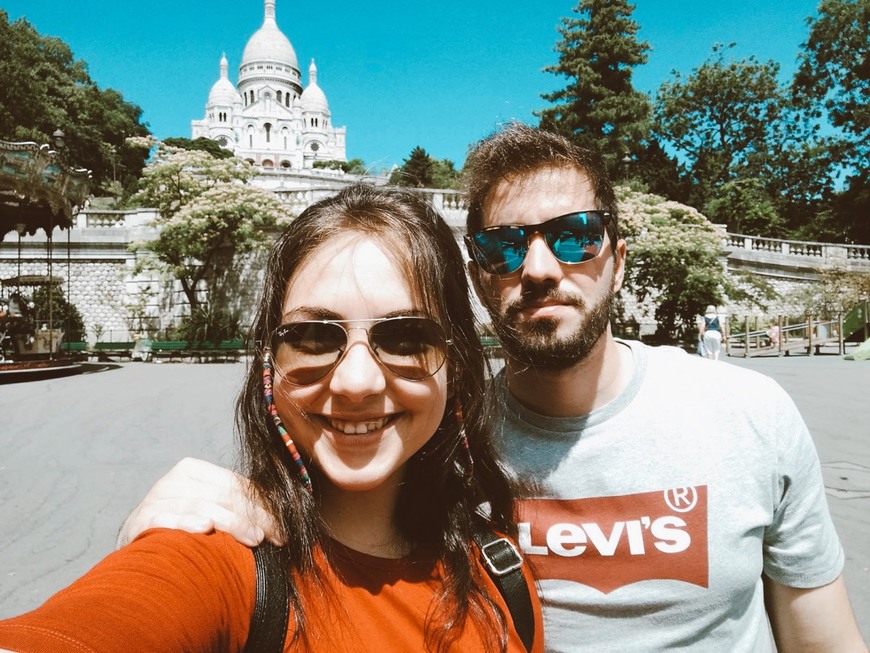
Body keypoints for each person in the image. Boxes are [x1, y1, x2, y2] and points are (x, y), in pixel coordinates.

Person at [112, 124, 866, 652]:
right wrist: (191, 520)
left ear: (618, 258)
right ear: (476, 278)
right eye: (504, 247)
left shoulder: (751, 414)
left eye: (575, 235)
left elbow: (823, 638)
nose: (538, 267)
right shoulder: (432, 438)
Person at [0, 185, 544, 653]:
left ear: (457, 364)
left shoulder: (503, 575)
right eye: (311, 337)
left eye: (406, 337)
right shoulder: (220, 555)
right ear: (268, 363)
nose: (356, 382)